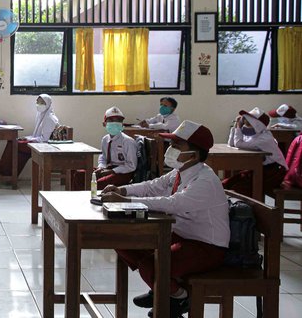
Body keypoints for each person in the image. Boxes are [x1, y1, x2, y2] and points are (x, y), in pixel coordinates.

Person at [101, 120, 230, 318]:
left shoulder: (205, 181)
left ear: (194, 155)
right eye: (172, 143)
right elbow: (152, 186)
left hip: (206, 247)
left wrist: (126, 200)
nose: (171, 148)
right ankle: (160, 287)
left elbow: (172, 203)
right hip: (180, 236)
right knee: (122, 240)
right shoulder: (181, 172)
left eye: (177, 145)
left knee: (152, 265)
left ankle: (179, 296)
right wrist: (122, 189)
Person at [223, 107, 287, 198]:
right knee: (227, 183)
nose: (244, 126)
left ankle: (251, 209)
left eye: (248, 124)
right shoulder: (253, 135)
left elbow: (238, 144)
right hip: (259, 169)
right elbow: (232, 144)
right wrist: (236, 126)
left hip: (273, 172)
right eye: (244, 123)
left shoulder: (264, 139)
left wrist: (238, 127)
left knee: (238, 188)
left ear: (257, 126)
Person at [0, 94, 59, 176]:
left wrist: (29, 140)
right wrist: (26, 138)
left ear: (47, 104)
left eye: (42, 103)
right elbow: (36, 135)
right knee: (14, 143)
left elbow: (44, 139)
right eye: (37, 102)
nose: (38, 105)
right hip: (37, 142)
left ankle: (3, 169)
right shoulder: (41, 116)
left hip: (43, 145)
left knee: (13, 144)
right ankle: (6, 171)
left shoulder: (49, 118)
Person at [91, 106, 137, 188]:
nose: (115, 123)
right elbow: (103, 157)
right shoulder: (105, 139)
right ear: (104, 124)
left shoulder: (128, 141)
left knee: (97, 183)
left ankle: (95, 198)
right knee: (80, 174)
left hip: (123, 172)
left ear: (122, 124)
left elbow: (131, 166)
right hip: (108, 169)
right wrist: (101, 167)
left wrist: (111, 171)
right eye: (111, 120)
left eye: (118, 120)